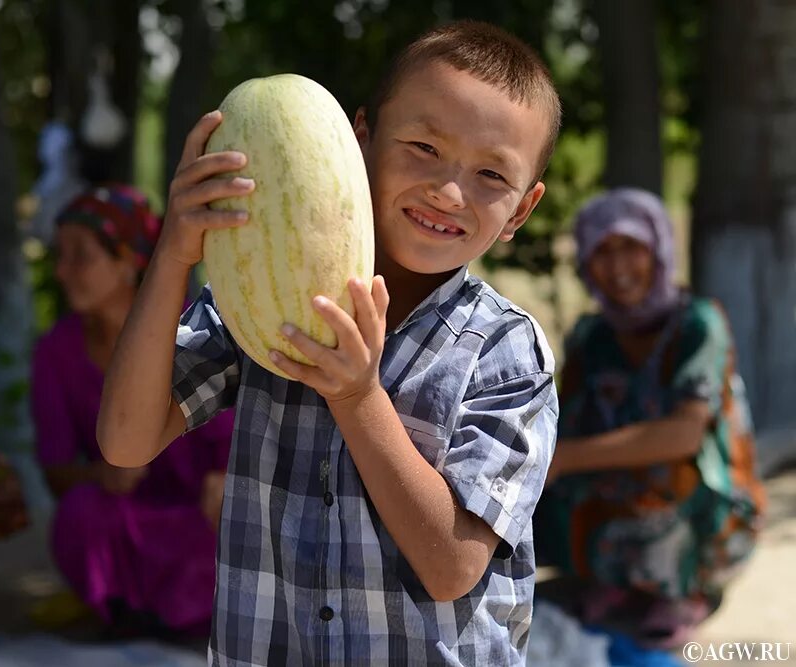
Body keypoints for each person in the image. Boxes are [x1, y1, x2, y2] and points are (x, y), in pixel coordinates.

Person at [97, 20, 561, 666]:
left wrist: (358, 395)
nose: (448, 191)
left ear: (521, 209)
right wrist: (174, 253)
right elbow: (125, 438)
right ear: (360, 139)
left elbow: (453, 564)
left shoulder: (506, 350)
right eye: (424, 147)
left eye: (490, 174)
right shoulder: (256, 296)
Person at [536, 188, 765, 647]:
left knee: (669, 473)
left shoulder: (698, 324)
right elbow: (565, 420)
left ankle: (684, 592)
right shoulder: (591, 336)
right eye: (601, 251)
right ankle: (615, 583)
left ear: (659, 249)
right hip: (612, 486)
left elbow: (683, 434)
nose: (618, 267)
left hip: (696, 495)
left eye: (631, 247)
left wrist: (566, 457)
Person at [31, 183, 233, 640]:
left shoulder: (195, 328)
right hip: (126, 516)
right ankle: (125, 611)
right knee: (80, 512)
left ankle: (188, 615)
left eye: (80, 256)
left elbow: (236, 438)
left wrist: (225, 477)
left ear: (127, 263)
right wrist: (100, 476)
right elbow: (56, 472)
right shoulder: (56, 351)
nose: (62, 272)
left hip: (197, 518)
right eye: (59, 256)